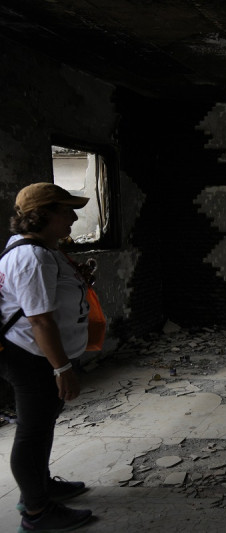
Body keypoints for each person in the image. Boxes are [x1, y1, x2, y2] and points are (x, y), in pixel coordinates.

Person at [0, 182, 94, 532]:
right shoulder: (32, 256)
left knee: (42, 425)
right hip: (31, 356)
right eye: (66, 210)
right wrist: (62, 368)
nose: (73, 216)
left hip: (39, 354)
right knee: (33, 431)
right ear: (44, 215)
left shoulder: (44, 251)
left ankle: (40, 485)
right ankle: (36, 511)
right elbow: (39, 319)